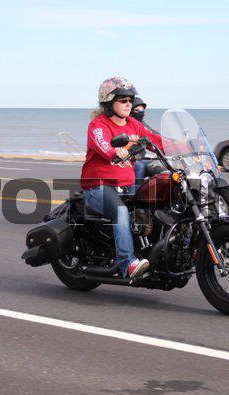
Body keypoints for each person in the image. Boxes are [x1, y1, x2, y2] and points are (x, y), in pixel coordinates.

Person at [80, 77, 163, 278]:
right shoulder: (98, 125)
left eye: (130, 100)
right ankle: (128, 263)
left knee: (158, 203)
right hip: (98, 186)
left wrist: (182, 147)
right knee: (120, 211)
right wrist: (115, 152)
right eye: (123, 100)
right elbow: (102, 144)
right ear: (109, 102)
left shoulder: (134, 125)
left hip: (127, 186)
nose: (128, 104)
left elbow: (155, 140)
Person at [130, 97, 162, 188]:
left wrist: (172, 143)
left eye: (142, 110)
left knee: (162, 164)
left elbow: (154, 135)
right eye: (137, 110)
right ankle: (136, 192)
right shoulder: (129, 124)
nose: (140, 112)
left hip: (141, 157)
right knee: (139, 166)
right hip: (129, 159)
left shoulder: (141, 124)